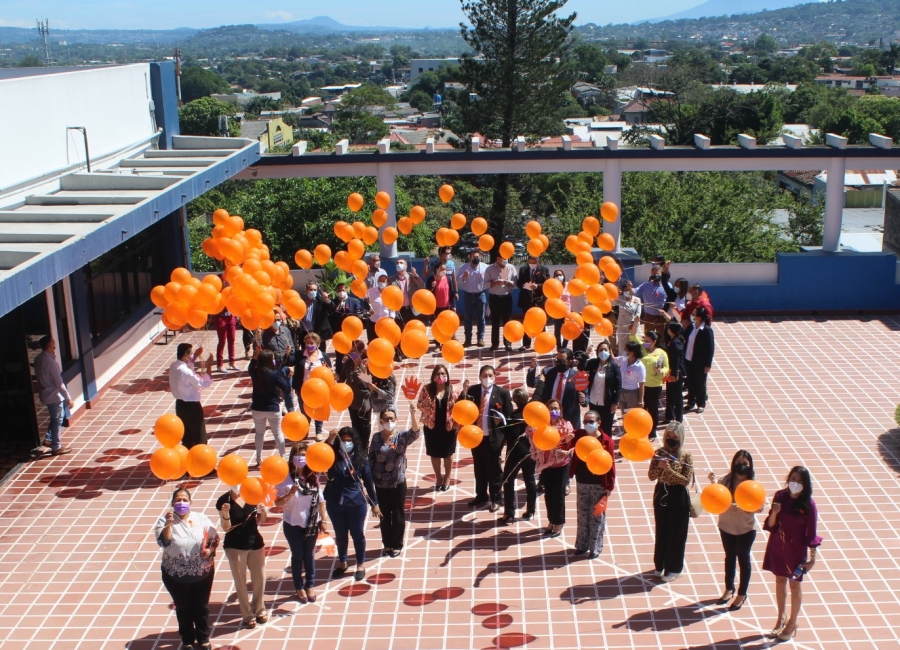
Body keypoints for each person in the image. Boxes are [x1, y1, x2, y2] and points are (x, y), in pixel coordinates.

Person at [153, 488, 219, 650]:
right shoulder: (163, 521)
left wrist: (210, 550)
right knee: (183, 607)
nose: (181, 503)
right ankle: (187, 639)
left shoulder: (201, 518)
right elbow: (164, 542)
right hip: (176, 575)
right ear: (172, 503)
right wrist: (168, 524)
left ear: (190, 502)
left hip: (202, 573)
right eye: (178, 500)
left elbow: (214, 538)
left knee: (201, 607)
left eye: (184, 500)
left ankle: (203, 638)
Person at [762, 466, 822, 642]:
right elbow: (771, 524)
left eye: (800, 481)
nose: (795, 483)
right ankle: (781, 617)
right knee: (779, 581)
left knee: (795, 585)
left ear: (806, 484)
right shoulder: (780, 497)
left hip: (796, 552)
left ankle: (793, 621)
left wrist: (812, 560)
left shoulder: (809, 505)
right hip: (778, 546)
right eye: (793, 479)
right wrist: (775, 512)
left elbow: (811, 534)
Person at [707, 450, 761, 612]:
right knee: (729, 558)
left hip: (745, 529)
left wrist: (745, 507)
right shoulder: (727, 480)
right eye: (738, 462)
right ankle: (729, 588)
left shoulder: (753, 484)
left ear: (750, 465)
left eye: (745, 463)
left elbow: (760, 507)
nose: (741, 466)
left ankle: (742, 594)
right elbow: (717, 495)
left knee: (743, 560)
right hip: (726, 526)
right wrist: (713, 482)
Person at [325, 427, 381, 581]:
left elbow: (368, 483)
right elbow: (320, 455)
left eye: (349, 440)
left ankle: (360, 564)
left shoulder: (361, 459)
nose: (346, 443)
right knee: (340, 534)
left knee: (357, 534)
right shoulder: (332, 456)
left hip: (355, 502)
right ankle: (342, 562)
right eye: (343, 440)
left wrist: (374, 503)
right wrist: (329, 439)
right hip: (335, 501)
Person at [275, 441, 328, 604]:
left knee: (309, 555)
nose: (300, 458)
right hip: (292, 524)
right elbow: (277, 503)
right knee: (298, 555)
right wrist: (289, 494)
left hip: (311, 523)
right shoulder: (285, 478)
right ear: (292, 458)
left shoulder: (313, 476)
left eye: (304, 455)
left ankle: (310, 584)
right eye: (297, 455)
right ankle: (298, 586)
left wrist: (324, 519)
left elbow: (320, 500)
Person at [369, 407, 422, 557]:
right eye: (386, 418)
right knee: (384, 515)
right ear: (381, 421)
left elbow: (415, 433)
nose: (389, 421)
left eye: (392, 418)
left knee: (398, 514)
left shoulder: (401, 437)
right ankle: (387, 544)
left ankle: (397, 544)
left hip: (397, 482)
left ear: (396, 420)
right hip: (380, 483)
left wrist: (413, 414)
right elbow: (371, 458)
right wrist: (368, 479)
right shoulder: (376, 438)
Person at [460, 365, 513, 511]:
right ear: (479, 377)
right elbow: (461, 406)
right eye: (484, 375)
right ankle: (481, 495)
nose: (487, 378)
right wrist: (464, 392)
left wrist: (503, 432)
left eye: (490, 375)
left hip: (494, 438)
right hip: (475, 436)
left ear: (494, 377)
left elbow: (508, 415)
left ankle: (497, 498)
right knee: (479, 468)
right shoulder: (472, 391)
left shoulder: (502, 393)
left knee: (494, 469)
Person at [217, 480, 268, 628]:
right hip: (235, 546)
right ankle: (247, 615)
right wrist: (225, 514)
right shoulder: (223, 500)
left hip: (255, 543)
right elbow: (226, 528)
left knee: (260, 578)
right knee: (240, 582)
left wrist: (262, 510)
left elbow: (262, 519)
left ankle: (259, 609)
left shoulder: (252, 494)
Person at [648, 421, 693, 583]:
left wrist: (670, 471)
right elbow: (651, 476)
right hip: (661, 492)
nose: (671, 440)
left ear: (680, 438)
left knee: (676, 533)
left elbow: (685, 480)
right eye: (668, 436)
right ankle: (660, 564)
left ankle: (675, 568)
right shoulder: (659, 452)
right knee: (662, 530)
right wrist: (659, 467)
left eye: (674, 437)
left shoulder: (686, 456)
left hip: (678, 496)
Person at [525, 398, 574, 538]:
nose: (553, 411)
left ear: (561, 410)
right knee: (548, 494)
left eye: (556, 408)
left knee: (558, 495)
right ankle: (551, 520)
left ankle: (559, 522)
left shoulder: (566, 425)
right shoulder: (541, 425)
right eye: (551, 408)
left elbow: (571, 445)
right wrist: (530, 429)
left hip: (561, 465)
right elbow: (531, 434)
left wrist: (566, 443)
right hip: (545, 465)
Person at [570, 410, 616, 558]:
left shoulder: (607, 441)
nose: (587, 424)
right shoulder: (579, 436)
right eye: (585, 421)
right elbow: (567, 438)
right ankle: (582, 545)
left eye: (591, 421)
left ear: (598, 423)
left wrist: (610, 486)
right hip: (582, 481)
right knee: (582, 514)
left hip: (599, 484)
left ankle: (595, 547)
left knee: (597, 515)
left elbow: (611, 464)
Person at [417, 364, 458, 491]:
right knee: (434, 454)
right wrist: (427, 404)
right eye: (438, 374)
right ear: (433, 376)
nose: (440, 376)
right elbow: (419, 405)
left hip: (449, 427)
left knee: (448, 454)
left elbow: (460, 406)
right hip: (431, 427)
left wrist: (465, 391)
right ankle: (438, 477)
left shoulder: (453, 390)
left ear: (447, 376)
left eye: (443, 374)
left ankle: (447, 477)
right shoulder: (427, 389)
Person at [248, 349, 294, 465]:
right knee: (277, 433)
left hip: (257, 408)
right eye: (273, 358)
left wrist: (254, 358)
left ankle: (258, 458)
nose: (274, 360)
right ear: (269, 361)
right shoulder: (274, 374)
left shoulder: (255, 372)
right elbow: (286, 388)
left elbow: (250, 367)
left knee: (259, 433)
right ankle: (283, 457)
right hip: (272, 408)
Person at [501, 388, 536, 524]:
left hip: (515, 454)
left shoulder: (514, 416)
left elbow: (512, 436)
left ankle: (509, 513)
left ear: (514, 400)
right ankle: (531, 510)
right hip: (530, 452)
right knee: (530, 480)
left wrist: (502, 425)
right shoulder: (532, 413)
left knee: (508, 481)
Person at [33, 335, 73, 455]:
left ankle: (49, 439)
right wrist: (68, 398)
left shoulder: (38, 359)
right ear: (50, 345)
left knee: (54, 418)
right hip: (53, 395)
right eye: (53, 343)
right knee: (57, 420)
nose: (55, 345)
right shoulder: (50, 362)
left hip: (44, 394)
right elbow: (59, 382)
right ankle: (56, 446)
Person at [169, 343, 213, 449]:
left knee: (187, 438)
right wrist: (209, 366)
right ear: (186, 355)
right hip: (192, 407)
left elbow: (187, 366)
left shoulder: (173, 366)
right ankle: (201, 458)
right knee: (200, 438)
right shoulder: (187, 373)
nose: (191, 356)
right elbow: (204, 383)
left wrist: (195, 356)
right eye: (190, 354)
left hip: (180, 406)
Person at [527, 348, 581, 427]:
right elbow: (532, 383)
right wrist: (532, 367)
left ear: (569, 362)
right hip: (548, 416)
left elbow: (585, 398)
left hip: (568, 417)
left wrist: (583, 399)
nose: (558, 362)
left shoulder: (577, 377)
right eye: (557, 359)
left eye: (561, 360)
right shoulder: (548, 372)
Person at [580, 340, 622, 437]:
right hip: (594, 401)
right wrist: (585, 355)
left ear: (609, 351)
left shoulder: (614, 367)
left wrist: (615, 403)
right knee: (594, 427)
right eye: (601, 350)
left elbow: (618, 386)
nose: (603, 352)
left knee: (606, 428)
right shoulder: (593, 363)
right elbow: (581, 368)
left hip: (607, 404)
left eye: (605, 350)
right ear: (597, 352)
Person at [292, 332, 329, 439]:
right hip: (303, 389)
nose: (309, 345)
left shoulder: (323, 356)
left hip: (319, 390)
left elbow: (328, 371)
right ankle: (305, 430)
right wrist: (288, 354)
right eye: (307, 343)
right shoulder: (300, 355)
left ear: (317, 344)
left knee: (318, 410)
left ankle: (318, 432)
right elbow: (290, 362)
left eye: (311, 343)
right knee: (304, 411)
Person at [339, 341, 374, 448]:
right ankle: (358, 446)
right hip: (351, 399)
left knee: (365, 425)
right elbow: (342, 378)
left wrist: (360, 369)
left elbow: (366, 383)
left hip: (364, 399)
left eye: (354, 351)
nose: (352, 354)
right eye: (350, 351)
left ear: (361, 351)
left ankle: (365, 445)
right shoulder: (348, 363)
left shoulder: (367, 364)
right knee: (355, 424)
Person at [329, 282, 368, 376]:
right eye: (339, 290)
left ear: (346, 290)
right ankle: (340, 372)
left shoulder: (352, 301)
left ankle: (355, 369)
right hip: (339, 333)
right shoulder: (334, 303)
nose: (341, 292)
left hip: (351, 332)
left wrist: (365, 313)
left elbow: (360, 311)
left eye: (343, 290)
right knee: (339, 353)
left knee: (354, 352)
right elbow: (330, 315)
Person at [638, 329, 669, 440]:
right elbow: (632, 337)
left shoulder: (661, 353)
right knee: (642, 408)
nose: (645, 343)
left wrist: (660, 371)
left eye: (648, 341)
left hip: (655, 386)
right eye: (644, 340)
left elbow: (666, 367)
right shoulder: (642, 349)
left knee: (653, 409)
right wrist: (636, 322)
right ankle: (642, 429)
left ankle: (652, 431)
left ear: (654, 342)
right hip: (641, 384)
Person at [484, 255, 518, 351]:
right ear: (497, 258)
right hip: (494, 298)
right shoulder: (490, 269)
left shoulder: (511, 267)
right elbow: (485, 284)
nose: (505, 260)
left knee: (507, 322)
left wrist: (508, 283)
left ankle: (508, 343)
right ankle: (495, 344)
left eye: (506, 258)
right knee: (495, 322)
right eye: (502, 258)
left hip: (506, 298)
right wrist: (495, 282)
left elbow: (515, 283)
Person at [684, 306, 715, 413]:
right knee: (690, 381)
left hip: (699, 362)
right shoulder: (691, 327)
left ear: (699, 317)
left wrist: (707, 364)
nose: (692, 315)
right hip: (688, 359)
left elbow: (710, 349)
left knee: (700, 383)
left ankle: (701, 403)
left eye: (694, 313)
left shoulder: (706, 330)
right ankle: (690, 402)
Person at [516, 256, 550, 350]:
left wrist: (537, 286)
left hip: (539, 300)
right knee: (526, 321)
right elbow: (519, 283)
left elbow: (547, 284)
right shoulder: (523, 269)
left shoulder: (544, 270)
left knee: (540, 321)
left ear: (538, 261)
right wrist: (524, 285)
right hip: (526, 300)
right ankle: (526, 343)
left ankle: (542, 342)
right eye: (530, 262)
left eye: (534, 262)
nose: (532, 264)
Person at [457, 250, 489, 347]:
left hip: (481, 295)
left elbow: (489, 280)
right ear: (469, 257)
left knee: (481, 318)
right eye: (474, 256)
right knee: (468, 318)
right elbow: (458, 281)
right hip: (468, 295)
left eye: (477, 257)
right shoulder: (464, 267)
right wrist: (464, 277)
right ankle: (468, 339)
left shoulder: (485, 267)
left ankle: (480, 338)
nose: (476, 258)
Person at [296, 282, 335, 357]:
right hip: (305, 333)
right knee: (306, 355)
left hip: (318, 333)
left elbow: (332, 307)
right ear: (306, 290)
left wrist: (326, 299)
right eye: (311, 289)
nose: (313, 291)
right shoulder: (301, 302)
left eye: (315, 290)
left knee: (320, 355)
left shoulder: (320, 301)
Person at [387, 258, 425, 326]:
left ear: (406, 266)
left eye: (401, 263)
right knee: (400, 329)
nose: (398, 264)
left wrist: (415, 275)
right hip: (399, 310)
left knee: (412, 328)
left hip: (412, 309)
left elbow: (422, 286)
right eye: (397, 263)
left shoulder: (412, 276)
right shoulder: (391, 279)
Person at [663, 322, 686, 424]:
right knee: (670, 394)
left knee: (677, 396)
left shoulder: (676, 343)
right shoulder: (673, 341)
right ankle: (669, 415)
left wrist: (674, 375)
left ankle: (678, 418)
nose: (667, 330)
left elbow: (676, 360)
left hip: (676, 373)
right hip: (671, 371)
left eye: (669, 329)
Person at [615, 340, 646, 413]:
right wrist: (609, 348)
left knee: (631, 415)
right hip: (621, 392)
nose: (624, 351)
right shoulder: (623, 360)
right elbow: (613, 359)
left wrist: (640, 401)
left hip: (632, 394)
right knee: (623, 414)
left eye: (625, 349)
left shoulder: (640, 367)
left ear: (632, 353)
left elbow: (642, 384)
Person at [633, 271, 668, 336]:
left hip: (662, 316)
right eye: (654, 274)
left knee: (662, 336)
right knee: (648, 336)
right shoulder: (646, 285)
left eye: (658, 274)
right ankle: (648, 343)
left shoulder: (666, 285)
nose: (656, 276)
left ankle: (660, 343)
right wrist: (628, 289)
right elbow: (635, 291)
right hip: (649, 316)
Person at [365, 275, 397, 343]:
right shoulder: (371, 291)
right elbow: (362, 295)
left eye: (383, 281)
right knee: (373, 341)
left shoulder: (390, 293)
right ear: (377, 281)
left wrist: (391, 318)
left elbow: (392, 308)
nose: (381, 282)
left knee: (385, 341)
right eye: (380, 280)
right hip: (374, 321)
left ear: (387, 283)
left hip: (385, 322)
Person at [614, 279, 642, 356]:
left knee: (634, 347)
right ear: (623, 290)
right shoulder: (620, 298)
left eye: (630, 289)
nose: (628, 291)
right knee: (622, 347)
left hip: (634, 328)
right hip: (622, 327)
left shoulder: (637, 300)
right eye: (626, 290)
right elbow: (611, 303)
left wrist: (632, 322)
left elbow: (638, 313)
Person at [214, 294, 239, 372]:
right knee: (222, 341)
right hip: (220, 316)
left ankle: (232, 362)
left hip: (231, 316)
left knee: (232, 339)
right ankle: (220, 364)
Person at [550, 270, 572, 349]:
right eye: (557, 275)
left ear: (563, 275)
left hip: (567, 311)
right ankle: (559, 347)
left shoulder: (568, 285)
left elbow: (571, 297)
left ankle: (564, 347)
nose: (559, 276)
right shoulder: (553, 286)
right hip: (557, 311)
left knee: (567, 330)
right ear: (554, 277)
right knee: (557, 330)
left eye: (560, 275)